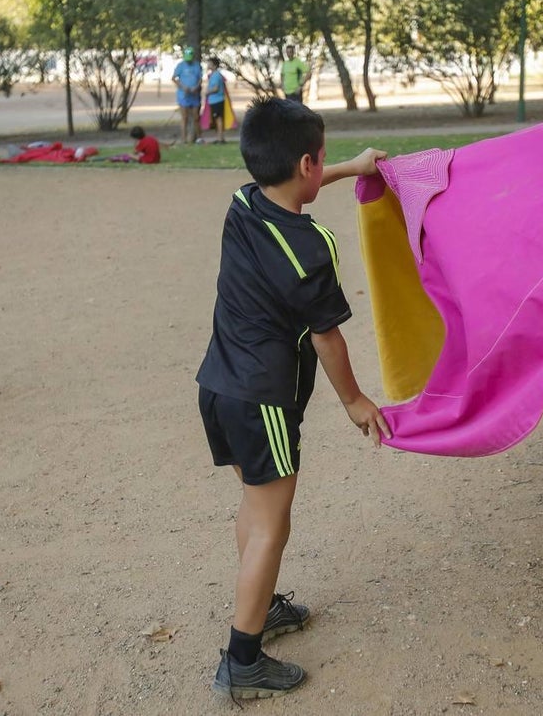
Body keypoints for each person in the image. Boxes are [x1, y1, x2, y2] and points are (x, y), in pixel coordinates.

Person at [196, 97, 391, 699]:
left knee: (257, 512)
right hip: (265, 403)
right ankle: (242, 658)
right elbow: (328, 338)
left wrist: (351, 167)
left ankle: (263, 609)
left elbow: (290, 184)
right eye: (323, 161)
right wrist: (356, 400)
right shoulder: (313, 247)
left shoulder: (244, 202)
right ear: (307, 162)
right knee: (272, 526)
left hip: (218, 388)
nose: (323, 168)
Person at [171, 46, 202, 145]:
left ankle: (199, 138)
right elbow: (174, 78)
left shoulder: (197, 66)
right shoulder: (180, 66)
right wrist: (183, 87)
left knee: (196, 117)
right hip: (183, 95)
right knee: (185, 118)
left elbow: (200, 79)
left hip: (194, 95)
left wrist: (196, 87)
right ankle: (183, 139)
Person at [204, 57, 228, 144]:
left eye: (209, 64)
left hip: (217, 100)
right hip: (214, 101)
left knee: (219, 119)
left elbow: (216, 88)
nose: (208, 65)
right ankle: (219, 137)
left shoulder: (216, 75)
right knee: (216, 119)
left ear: (214, 65)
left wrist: (207, 92)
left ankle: (220, 139)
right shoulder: (213, 75)